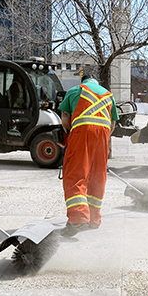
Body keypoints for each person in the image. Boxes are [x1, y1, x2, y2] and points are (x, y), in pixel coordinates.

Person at [59, 74, 119, 237]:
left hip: (81, 133)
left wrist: (70, 135)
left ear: (83, 81)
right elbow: (112, 124)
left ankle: (78, 218)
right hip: (103, 137)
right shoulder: (108, 95)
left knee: (75, 175)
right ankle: (93, 219)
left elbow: (65, 120)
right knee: (97, 177)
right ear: (97, 83)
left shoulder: (74, 91)